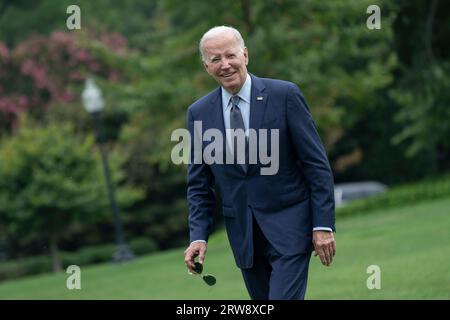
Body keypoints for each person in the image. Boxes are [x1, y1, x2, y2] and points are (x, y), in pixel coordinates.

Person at [183, 25, 336, 300]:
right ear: (206, 66)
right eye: (215, 59)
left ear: (245, 55)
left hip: (291, 228)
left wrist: (323, 225)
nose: (225, 65)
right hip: (245, 239)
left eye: (230, 55)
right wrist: (198, 237)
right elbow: (199, 185)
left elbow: (316, 164)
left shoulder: (285, 95)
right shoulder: (199, 113)